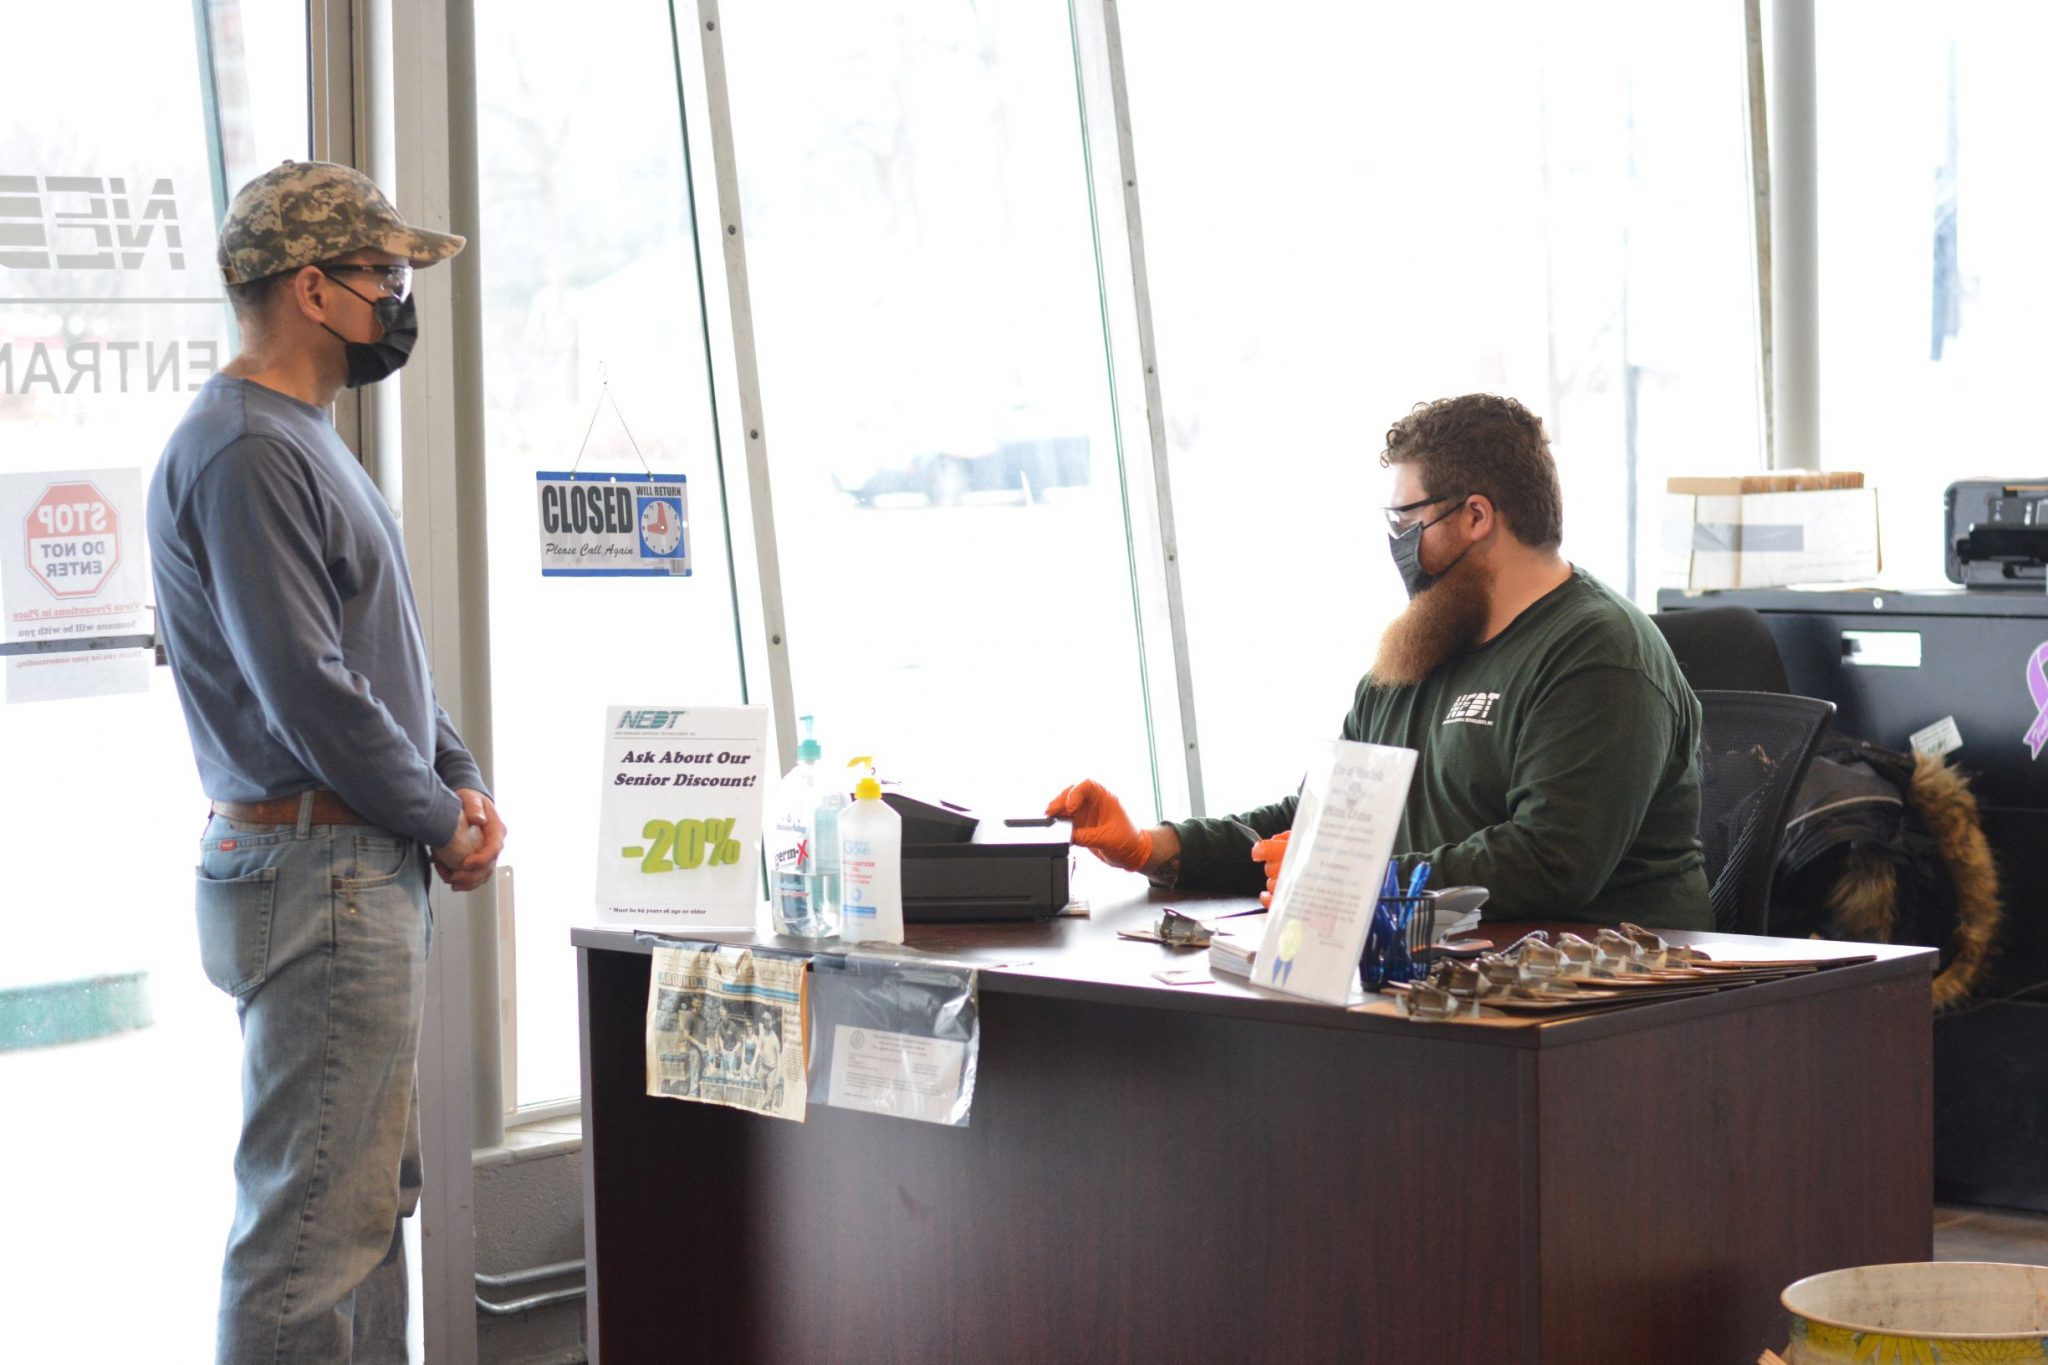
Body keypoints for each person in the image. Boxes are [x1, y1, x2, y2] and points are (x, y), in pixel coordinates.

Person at [147, 160, 507, 1364]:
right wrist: (436, 817)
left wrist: (458, 782)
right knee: (308, 1239)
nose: (399, 300)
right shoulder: (246, 451)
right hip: (322, 870)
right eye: (384, 275)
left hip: (352, 857)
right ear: (312, 288)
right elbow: (311, 693)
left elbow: (382, 652)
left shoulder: (299, 440)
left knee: (359, 1212)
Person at [1048, 393, 1709, 931]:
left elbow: (1550, 860)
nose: (1394, 539)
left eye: (1404, 518)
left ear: (1476, 515)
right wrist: (1156, 847)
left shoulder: (1599, 654)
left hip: (1604, 1006)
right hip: (1448, 977)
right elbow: (1317, 821)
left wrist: (1344, 876)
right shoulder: (1420, 650)